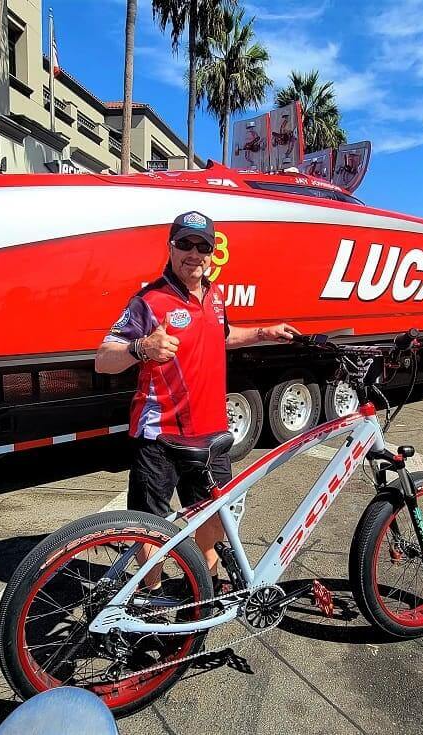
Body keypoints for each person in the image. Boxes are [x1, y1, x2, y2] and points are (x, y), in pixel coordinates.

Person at [95, 211, 298, 591]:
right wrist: (142, 347)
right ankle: (149, 595)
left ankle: (208, 582)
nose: (194, 253)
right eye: (185, 243)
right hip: (160, 437)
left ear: (213, 252)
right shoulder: (149, 300)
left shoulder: (215, 294)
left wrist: (262, 333)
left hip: (211, 432)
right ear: (171, 248)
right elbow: (103, 358)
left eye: (203, 246)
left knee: (215, 518)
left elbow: (220, 334)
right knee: (150, 527)